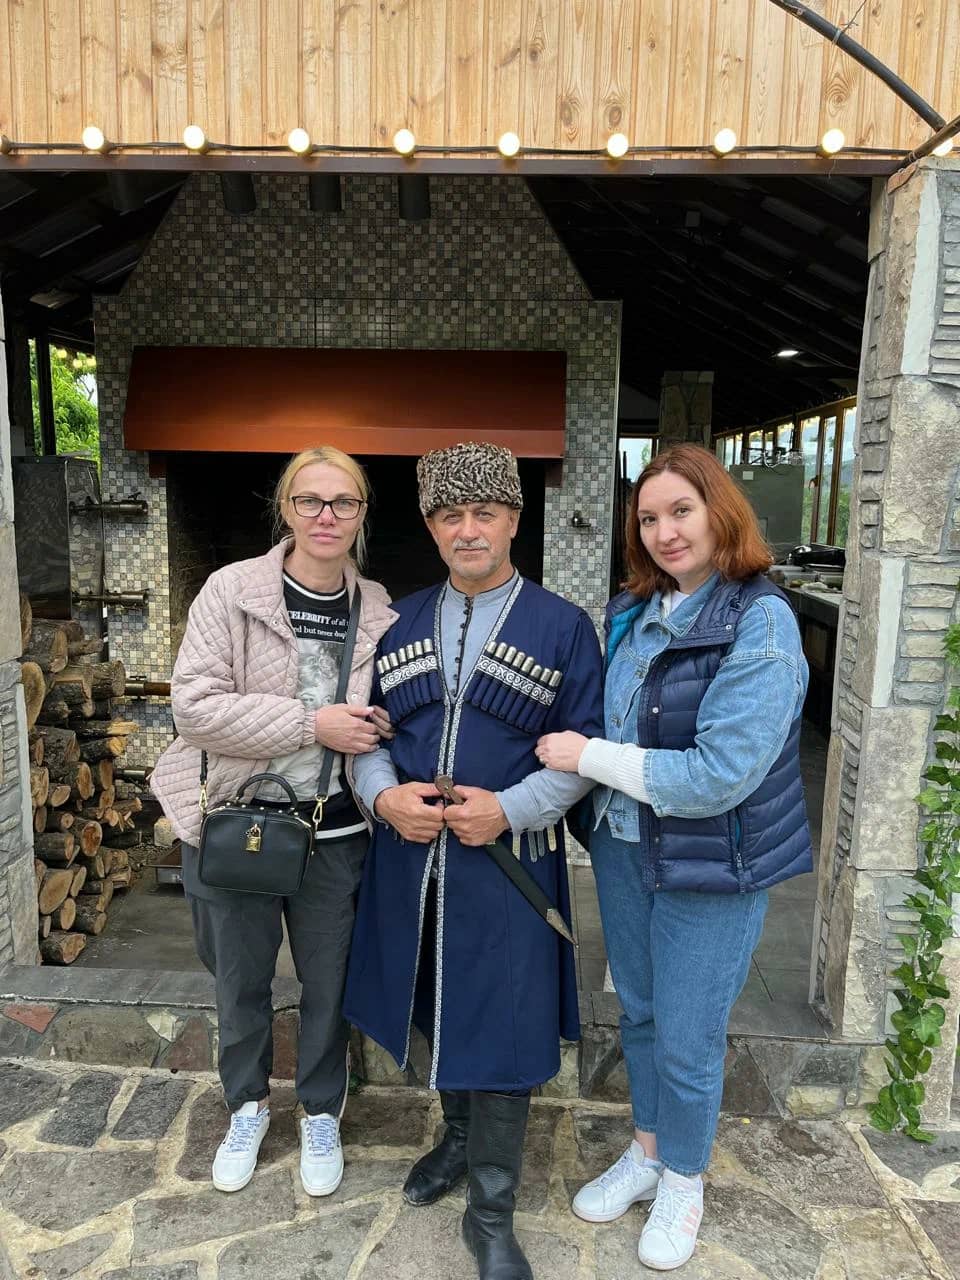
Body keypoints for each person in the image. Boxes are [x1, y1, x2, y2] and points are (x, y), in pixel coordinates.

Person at [537, 443, 812, 1273]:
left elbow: (719, 776)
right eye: (649, 517)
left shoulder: (762, 621)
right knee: (643, 1015)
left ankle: (685, 1180)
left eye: (681, 512)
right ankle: (650, 1151)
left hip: (711, 865)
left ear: (720, 511)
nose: (664, 532)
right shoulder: (634, 610)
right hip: (625, 849)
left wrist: (588, 756)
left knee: (689, 1037)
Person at [343, 441, 603, 1280]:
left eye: (484, 512)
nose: (468, 530)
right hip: (412, 862)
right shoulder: (401, 622)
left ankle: (491, 1215)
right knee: (429, 999)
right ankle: (457, 1140)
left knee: (505, 1023)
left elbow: (582, 750)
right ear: (430, 526)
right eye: (450, 515)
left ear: (513, 520)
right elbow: (367, 737)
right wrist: (384, 797)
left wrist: (509, 809)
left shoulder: (562, 627)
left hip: (508, 866)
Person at [151, 446, 396, 1198]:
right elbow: (193, 708)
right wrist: (311, 723)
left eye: (344, 502)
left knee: (329, 984)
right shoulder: (233, 591)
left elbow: (386, 712)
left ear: (361, 514)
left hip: (336, 833)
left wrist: (382, 726)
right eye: (310, 500)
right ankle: (248, 1106)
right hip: (240, 824)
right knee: (240, 982)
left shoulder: (378, 607)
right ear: (285, 507)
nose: (327, 516)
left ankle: (321, 1110)